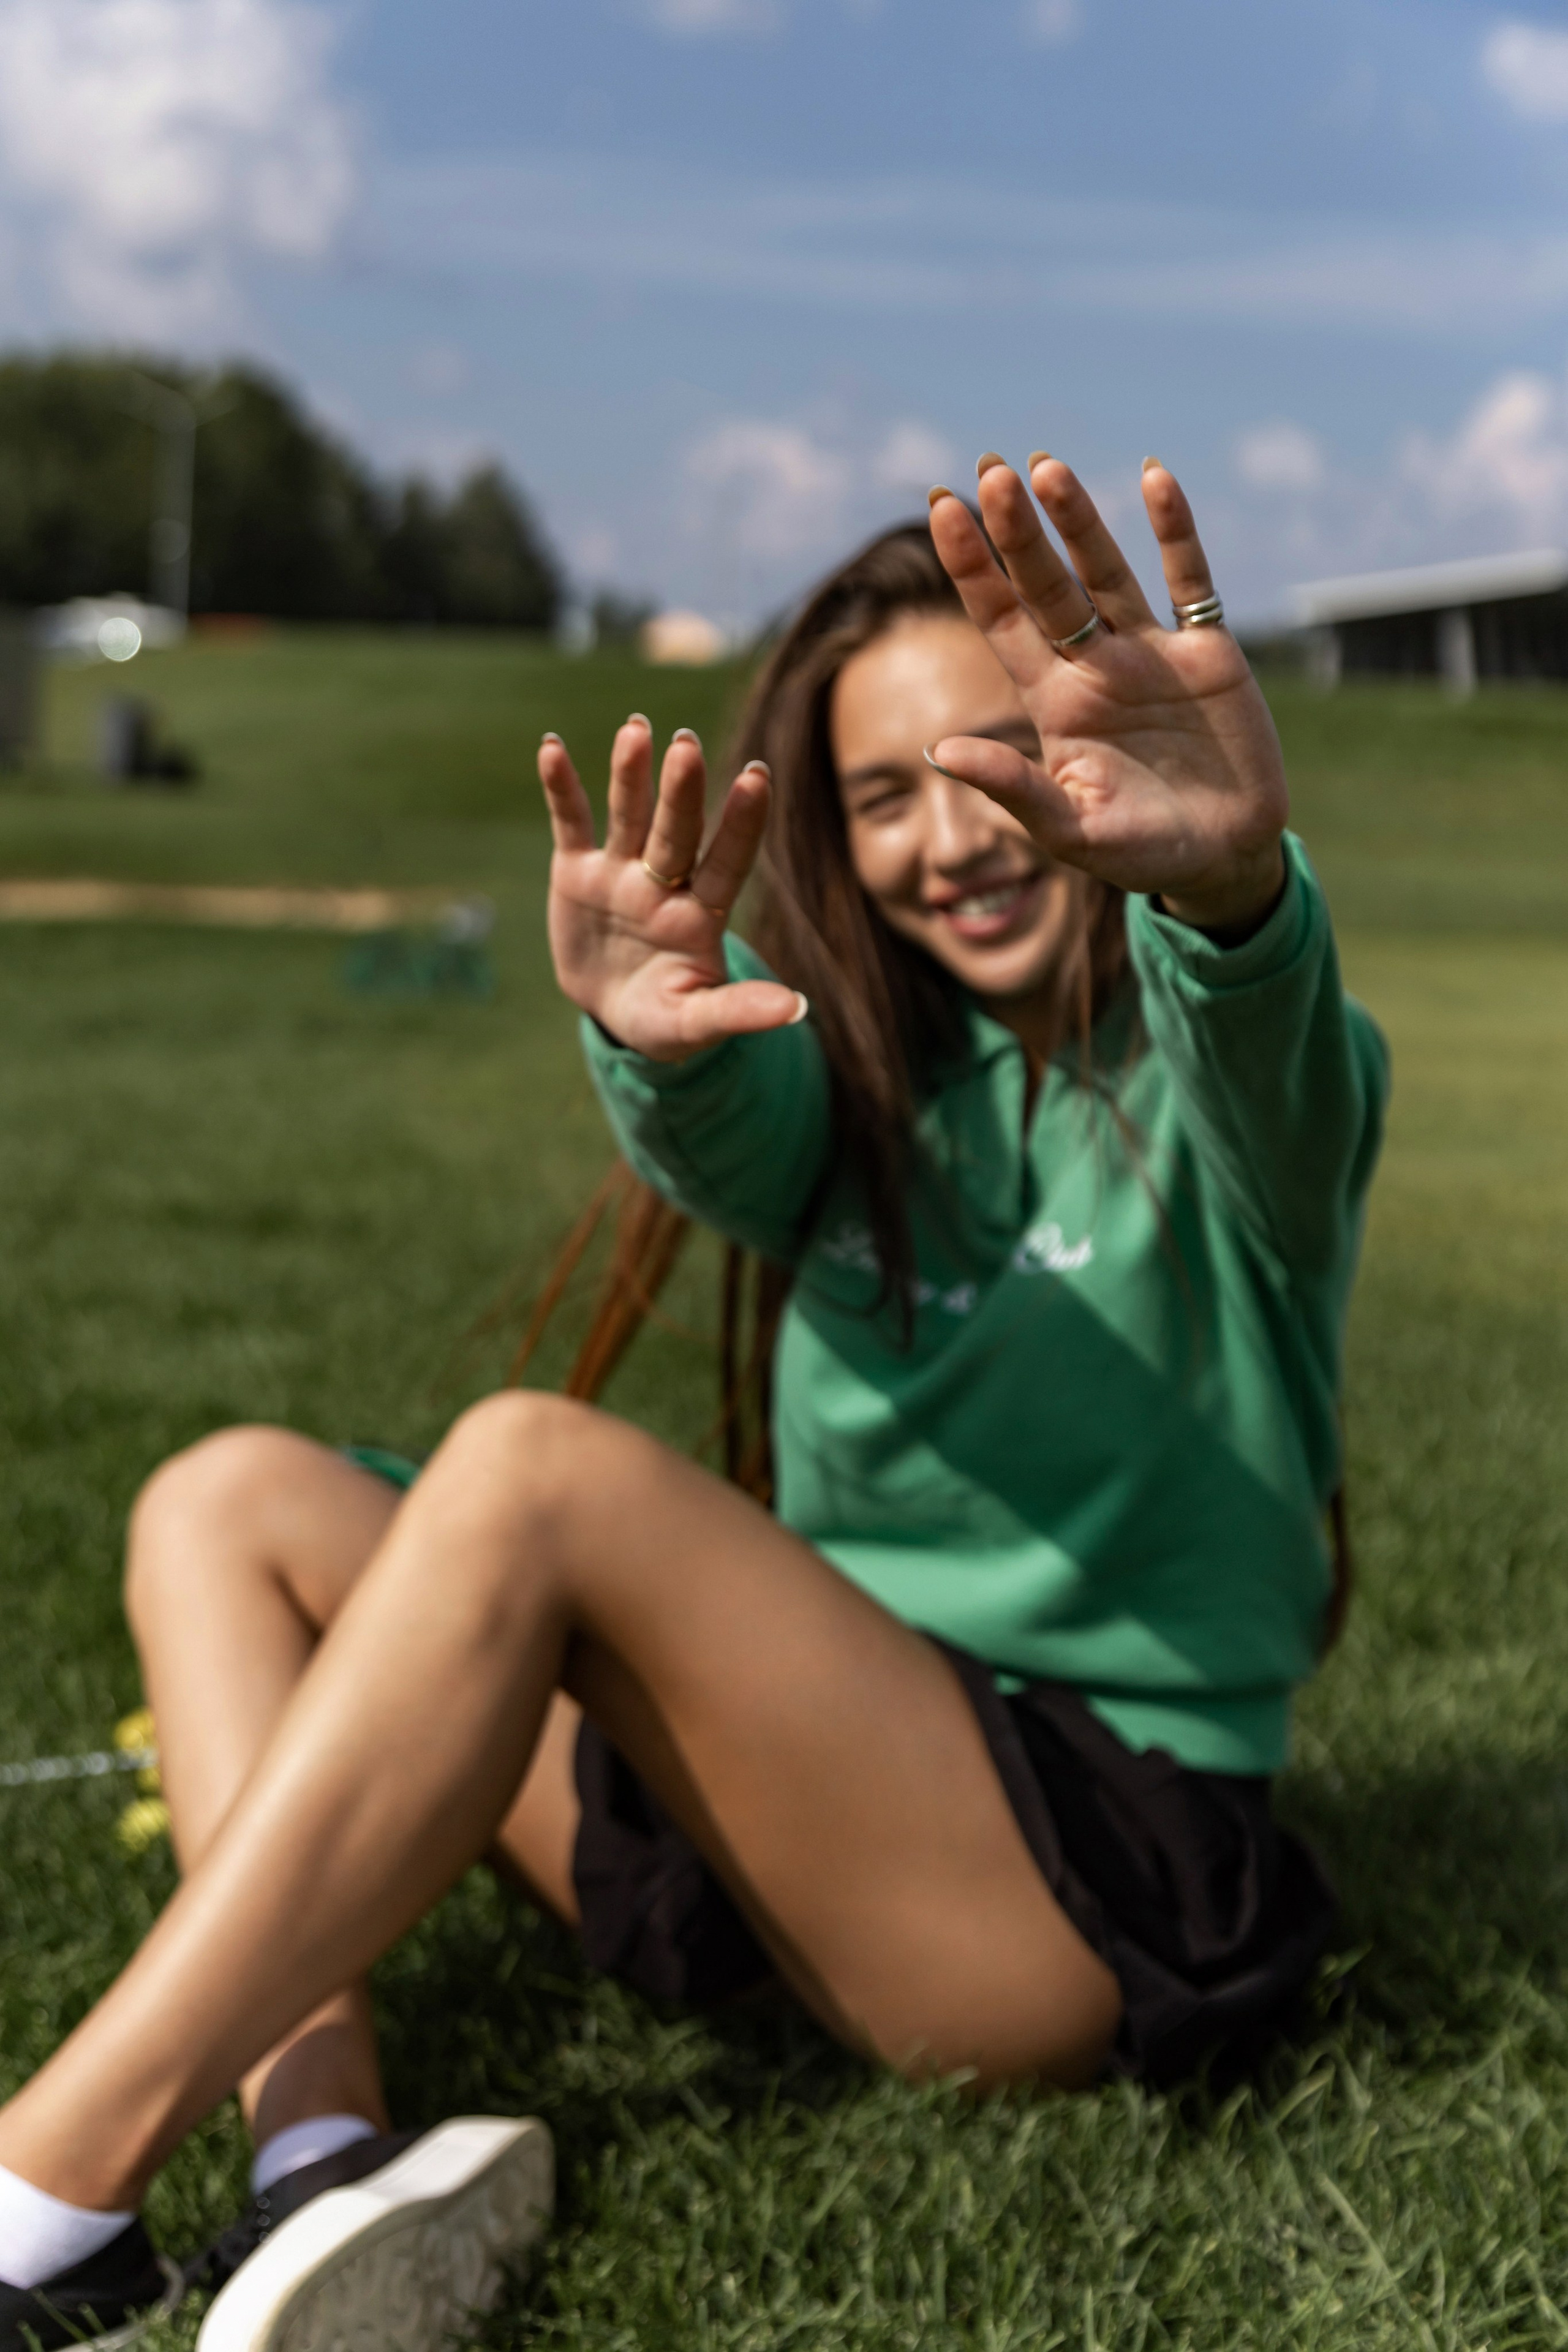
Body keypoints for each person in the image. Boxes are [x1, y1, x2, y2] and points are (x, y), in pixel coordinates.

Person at [0, 453, 1387, 2352]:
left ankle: (40, 2194)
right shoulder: (869, 1096)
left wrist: (1233, 890)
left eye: (998, 761)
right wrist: (647, 1023)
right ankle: (314, 2155)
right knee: (223, 1496)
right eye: (882, 797)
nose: (956, 835)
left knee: (528, 1474)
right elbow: (743, 1121)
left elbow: (1279, 1059)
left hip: (1075, 1884)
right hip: (797, 1822)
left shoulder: (1225, 1099)